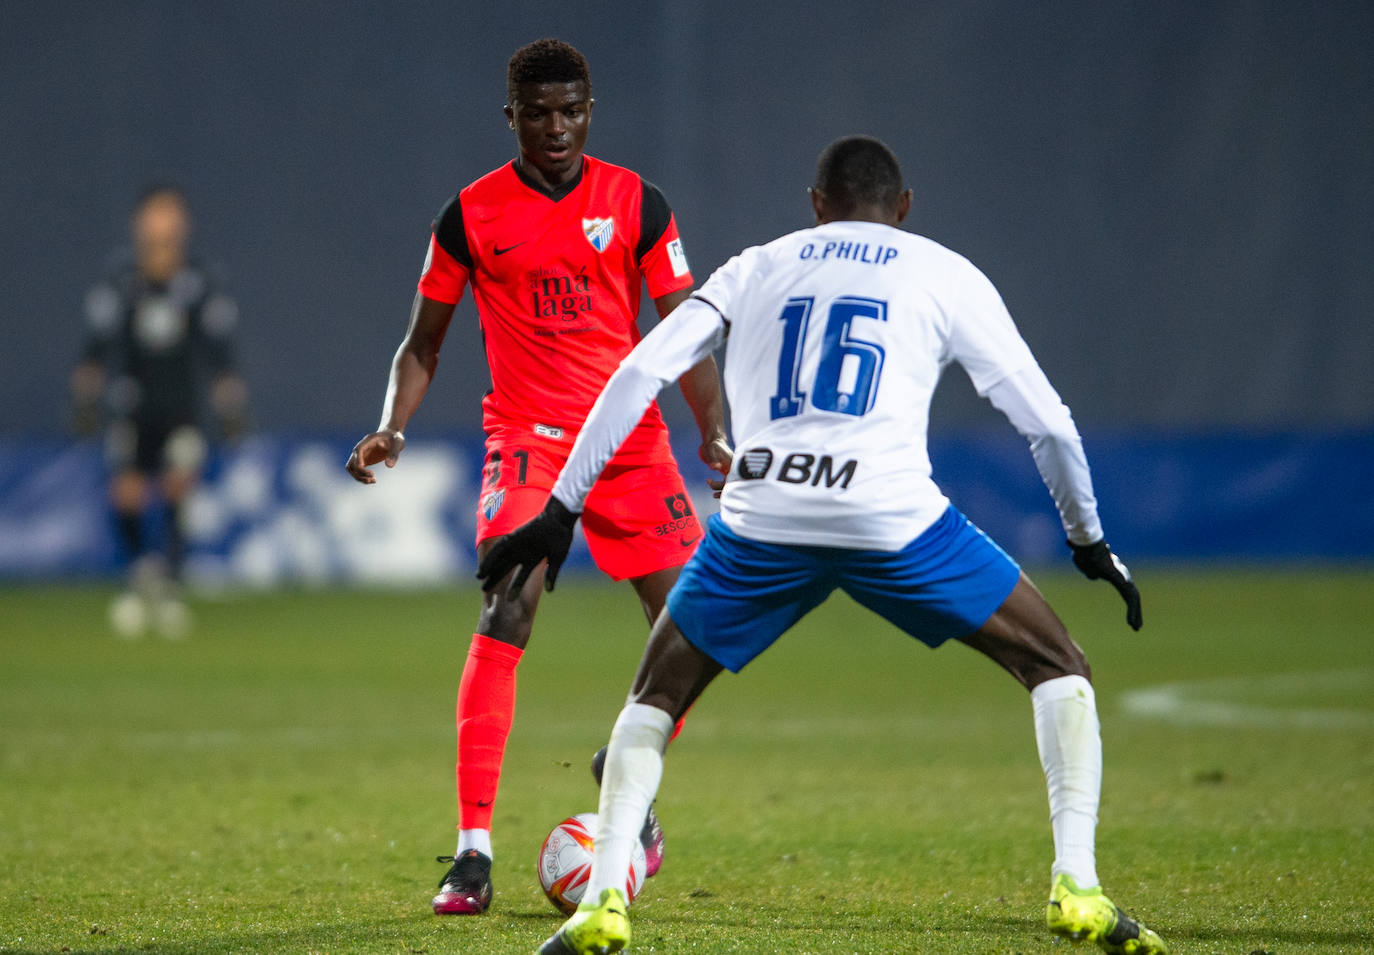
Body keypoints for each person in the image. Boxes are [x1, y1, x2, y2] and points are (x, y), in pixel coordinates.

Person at [479, 136, 1169, 955]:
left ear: (814, 203)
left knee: (651, 701)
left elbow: (639, 370)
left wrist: (562, 507)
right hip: (893, 517)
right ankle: (1078, 886)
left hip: (764, 513)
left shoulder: (757, 265)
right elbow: (1046, 420)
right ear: (903, 208)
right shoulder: (944, 272)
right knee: (1059, 667)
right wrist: (1087, 538)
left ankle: (602, 902)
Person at [344, 38, 730, 916]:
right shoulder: (471, 216)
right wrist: (391, 426)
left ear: (591, 109)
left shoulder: (637, 202)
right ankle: (473, 853)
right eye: (540, 112)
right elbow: (424, 342)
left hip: (630, 442)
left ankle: (620, 766)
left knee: (701, 627)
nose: (558, 128)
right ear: (510, 115)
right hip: (531, 440)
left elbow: (687, 328)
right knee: (508, 601)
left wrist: (713, 429)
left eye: (574, 110)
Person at [72, 184, 248, 639]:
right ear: (140, 223)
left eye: (170, 215)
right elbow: (95, 349)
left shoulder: (197, 282)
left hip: (180, 407)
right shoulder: (121, 281)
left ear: (183, 225)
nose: (162, 225)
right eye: (155, 215)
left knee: (176, 485)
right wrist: (86, 399)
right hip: (131, 404)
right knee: (127, 491)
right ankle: (139, 574)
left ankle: (166, 583)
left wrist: (230, 404)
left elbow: (219, 352)